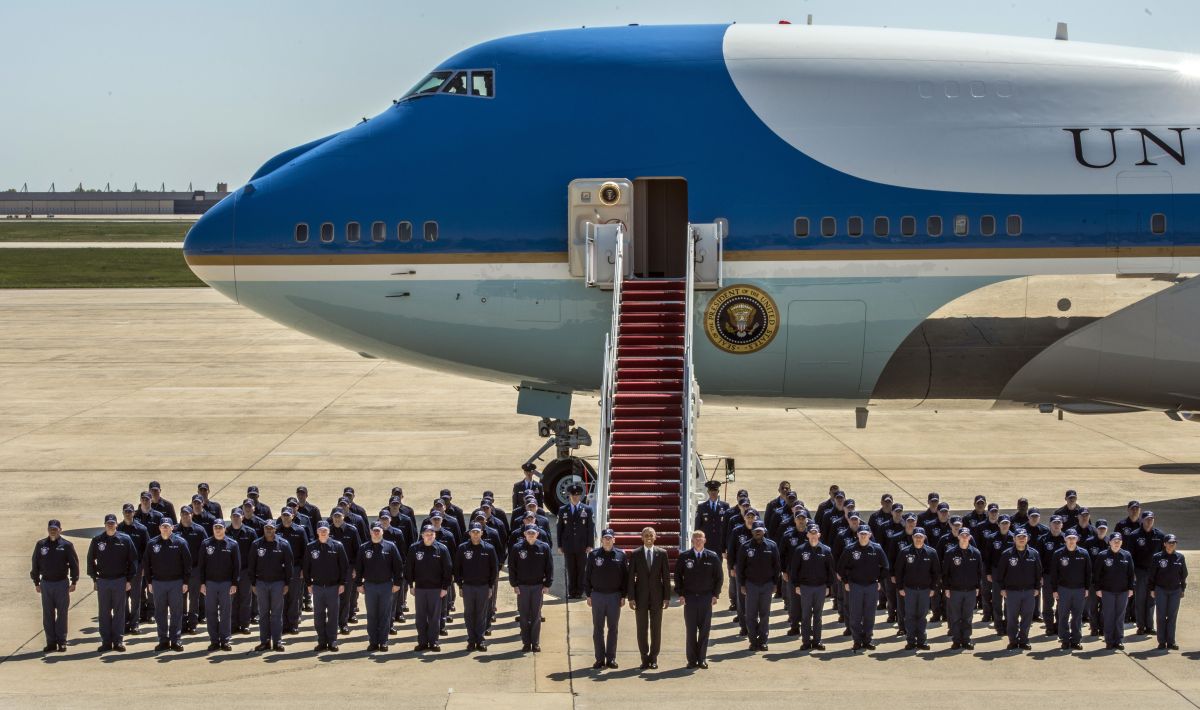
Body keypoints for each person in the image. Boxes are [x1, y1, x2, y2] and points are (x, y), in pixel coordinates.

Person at [87, 513, 137, 653]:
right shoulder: (97, 540)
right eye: (108, 523)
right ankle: (106, 641)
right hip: (103, 580)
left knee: (119, 612)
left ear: (116, 524)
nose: (110, 525)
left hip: (120, 580)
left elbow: (133, 560)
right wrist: (94, 578)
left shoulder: (125, 539)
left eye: (112, 523)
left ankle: (118, 640)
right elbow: (90, 560)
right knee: (104, 612)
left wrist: (129, 580)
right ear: (105, 524)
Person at [675, 530, 723, 669]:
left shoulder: (712, 557)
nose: (698, 541)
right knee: (691, 631)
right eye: (695, 538)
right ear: (691, 540)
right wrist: (681, 594)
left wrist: (715, 594)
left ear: (705, 540)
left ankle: (701, 659)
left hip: (706, 598)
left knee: (704, 631)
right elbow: (678, 577)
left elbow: (719, 578)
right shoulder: (684, 557)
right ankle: (691, 660)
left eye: (700, 538)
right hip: (689, 598)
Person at [31, 519, 79, 655]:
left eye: (55, 528)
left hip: (61, 584)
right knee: (48, 614)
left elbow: (74, 565)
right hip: (46, 584)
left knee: (62, 614)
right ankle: (50, 642)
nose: (53, 530)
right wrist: (36, 582)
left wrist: (74, 581)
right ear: (48, 529)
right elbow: (35, 564)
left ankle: (62, 641)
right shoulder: (41, 545)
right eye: (51, 528)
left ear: (60, 530)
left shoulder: (67, 545)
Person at [142, 518, 191, 652]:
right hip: (158, 583)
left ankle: (176, 640)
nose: (165, 528)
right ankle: (163, 640)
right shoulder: (152, 544)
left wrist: (185, 582)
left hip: (176, 583)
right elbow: (146, 564)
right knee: (160, 613)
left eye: (167, 526)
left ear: (172, 528)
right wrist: (149, 582)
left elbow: (187, 564)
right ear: (159, 528)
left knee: (176, 613)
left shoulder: (180, 543)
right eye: (163, 526)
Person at [837, 526, 889, 652]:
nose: (863, 536)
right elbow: (840, 568)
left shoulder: (877, 548)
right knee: (855, 614)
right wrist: (846, 582)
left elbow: (886, 566)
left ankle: (867, 640)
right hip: (855, 586)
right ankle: (857, 641)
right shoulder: (850, 549)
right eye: (861, 534)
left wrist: (879, 580)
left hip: (871, 586)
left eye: (866, 534)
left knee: (869, 614)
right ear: (857, 535)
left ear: (870, 535)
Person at [627, 526, 671, 669]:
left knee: (656, 628)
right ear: (642, 538)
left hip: (657, 597)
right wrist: (631, 597)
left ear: (655, 537)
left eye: (651, 535)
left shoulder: (662, 553)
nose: (649, 538)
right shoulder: (635, 554)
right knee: (641, 628)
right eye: (646, 535)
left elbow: (665, 577)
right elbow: (630, 578)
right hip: (640, 597)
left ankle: (654, 657)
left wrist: (667, 597)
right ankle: (644, 657)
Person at [248, 519, 294, 652]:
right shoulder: (256, 544)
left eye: (271, 528)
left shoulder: (283, 544)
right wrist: (253, 583)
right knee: (263, 614)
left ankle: (277, 641)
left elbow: (289, 566)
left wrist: (287, 583)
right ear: (264, 529)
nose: (268, 530)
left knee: (276, 614)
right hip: (261, 583)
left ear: (275, 529)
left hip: (278, 584)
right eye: (266, 528)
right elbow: (251, 566)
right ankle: (264, 642)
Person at [787, 523, 835, 651]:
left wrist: (828, 586)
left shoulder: (826, 550)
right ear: (807, 534)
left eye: (815, 533)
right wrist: (796, 585)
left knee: (818, 616)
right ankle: (806, 641)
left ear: (819, 534)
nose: (813, 536)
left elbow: (830, 570)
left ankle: (817, 641)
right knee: (806, 616)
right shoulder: (800, 550)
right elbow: (794, 570)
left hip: (820, 588)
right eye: (811, 533)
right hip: (805, 587)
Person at [357, 523, 403, 652]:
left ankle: (383, 641)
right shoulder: (363, 548)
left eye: (378, 530)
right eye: (374, 530)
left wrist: (397, 583)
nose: (376, 533)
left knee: (384, 614)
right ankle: (373, 642)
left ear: (382, 531)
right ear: (370, 532)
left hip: (386, 586)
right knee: (371, 615)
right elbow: (359, 568)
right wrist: (358, 584)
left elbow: (398, 567)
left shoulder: (391, 546)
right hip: (370, 586)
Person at [585, 528, 628, 669]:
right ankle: (599, 659)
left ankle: (611, 658)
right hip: (597, 595)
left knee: (613, 628)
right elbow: (587, 576)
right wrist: (588, 594)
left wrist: (623, 596)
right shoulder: (593, 555)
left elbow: (625, 578)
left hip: (614, 597)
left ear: (614, 539)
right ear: (601, 540)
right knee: (598, 628)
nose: (608, 540)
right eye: (605, 538)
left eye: (610, 538)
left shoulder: (621, 555)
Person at [736, 521, 781, 652]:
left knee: (765, 614)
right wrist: (742, 585)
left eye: (760, 530)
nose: (758, 532)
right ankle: (753, 641)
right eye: (755, 530)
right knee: (750, 615)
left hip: (767, 585)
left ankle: (763, 641)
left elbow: (777, 566)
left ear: (764, 531)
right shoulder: (745, 547)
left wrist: (774, 584)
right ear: (752, 531)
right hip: (751, 585)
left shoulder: (772, 546)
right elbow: (740, 568)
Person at [454, 523, 499, 652]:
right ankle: (471, 640)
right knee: (469, 613)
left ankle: (480, 639)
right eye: (473, 532)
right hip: (468, 586)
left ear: (482, 533)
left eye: (477, 532)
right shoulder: (462, 548)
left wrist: (490, 586)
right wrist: (460, 586)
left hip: (483, 587)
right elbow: (457, 568)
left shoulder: (489, 549)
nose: (475, 534)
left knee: (481, 613)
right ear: (469, 533)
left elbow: (494, 569)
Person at [996, 528, 1043, 651]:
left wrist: (1037, 588)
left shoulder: (1034, 554)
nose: (1021, 539)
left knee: (1027, 618)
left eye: (1024, 536)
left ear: (1027, 538)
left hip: (1029, 592)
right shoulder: (1007, 554)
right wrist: (1002, 589)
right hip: (1012, 592)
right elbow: (1000, 574)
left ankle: (1024, 640)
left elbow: (1039, 574)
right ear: (1014, 539)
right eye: (1019, 537)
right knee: (1012, 618)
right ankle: (1013, 640)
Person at [407, 524, 452, 652]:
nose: (429, 536)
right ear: (422, 535)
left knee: (434, 617)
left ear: (435, 535)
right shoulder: (414, 548)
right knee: (420, 617)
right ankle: (422, 642)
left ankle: (433, 642)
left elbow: (447, 570)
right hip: (420, 589)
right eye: (427, 534)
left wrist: (444, 587)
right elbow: (409, 568)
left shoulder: (442, 549)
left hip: (436, 589)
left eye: (431, 534)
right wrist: (411, 585)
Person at [894, 527, 939, 651]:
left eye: (921, 536)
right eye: (916, 536)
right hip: (909, 590)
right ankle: (910, 641)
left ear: (924, 537)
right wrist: (900, 587)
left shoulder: (931, 552)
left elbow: (936, 573)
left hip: (925, 590)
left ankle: (921, 641)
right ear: (912, 537)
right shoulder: (904, 552)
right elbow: (899, 572)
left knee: (922, 616)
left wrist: (933, 588)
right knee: (910, 616)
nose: (918, 538)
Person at [198, 519, 240, 652]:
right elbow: (201, 566)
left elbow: (237, 566)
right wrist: (202, 583)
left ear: (224, 529)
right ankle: (214, 641)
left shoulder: (232, 544)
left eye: (220, 527)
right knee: (210, 613)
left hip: (226, 584)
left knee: (226, 613)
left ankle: (225, 640)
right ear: (213, 529)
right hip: (210, 584)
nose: (217, 529)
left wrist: (234, 583)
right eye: (215, 527)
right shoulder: (206, 544)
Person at [942, 527, 984, 649]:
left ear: (970, 537)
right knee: (955, 617)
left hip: (970, 590)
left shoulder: (976, 553)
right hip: (955, 590)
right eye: (962, 535)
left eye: (967, 535)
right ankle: (956, 640)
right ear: (958, 537)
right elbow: (946, 573)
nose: (964, 537)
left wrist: (977, 587)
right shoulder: (950, 553)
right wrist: (946, 588)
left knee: (967, 616)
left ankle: (966, 639)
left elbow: (979, 572)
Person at [1050, 528, 1091, 651]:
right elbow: (1054, 574)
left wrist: (1087, 588)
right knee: (1063, 615)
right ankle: (1065, 639)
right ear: (1065, 539)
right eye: (1069, 538)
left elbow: (1088, 572)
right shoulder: (1058, 554)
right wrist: (1054, 590)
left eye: (1073, 538)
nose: (1071, 541)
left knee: (1077, 616)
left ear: (1077, 539)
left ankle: (1076, 640)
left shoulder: (1084, 553)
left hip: (1079, 590)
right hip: (1063, 589)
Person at [1094, 532, 1136, 650]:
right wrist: (1098, 589)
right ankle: (1109, 640)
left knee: (1120, 616)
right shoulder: (1103, 555)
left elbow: (1131, 574)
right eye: (1114, 541)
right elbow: (1097, 574)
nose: (1116, 543)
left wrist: (1131, 588)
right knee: (1108, 615)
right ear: (1109, 542)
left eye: (1118, 541)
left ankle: (1119, 640)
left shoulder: (1126, 555)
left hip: (1123, 591)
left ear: (1121, 542)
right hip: (1107, 591)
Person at [1129, 510, 1165, 635]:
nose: (1149, 521)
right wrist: (1132, 572)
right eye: (1147, 519)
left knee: (1151, 599)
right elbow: (1130, 556)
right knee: (1140, 599)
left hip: (1154, 573)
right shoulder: (1134, 535)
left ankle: (1150, 626)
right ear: (1142, 520)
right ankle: (1140, 626)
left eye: (1151, 519)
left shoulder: (1160, 535)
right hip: (1139, 571)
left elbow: (1163, 555)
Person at [1149, 533, 1187, 651]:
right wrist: (1152, 589)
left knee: (1172, 616)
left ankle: (1171, 641)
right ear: (1164, 544)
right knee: (1161, 616)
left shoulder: (1180, 557)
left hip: (1175, 590)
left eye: (1174, 543)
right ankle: (1161, 642)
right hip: (1161, 590)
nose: (1172, 545)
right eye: (1170, 542)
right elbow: (1152, 575)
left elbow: (1183, 575)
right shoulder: (1157, 557)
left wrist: (1182, 589)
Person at [556, 483, 595, 599]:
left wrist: (590, 544)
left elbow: (590, 528)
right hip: (568, 545)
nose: (575, 497)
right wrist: (560, 545)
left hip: (582, 545)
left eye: (577, 495)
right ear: (569, 496)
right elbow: (559, 529)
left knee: (581, 569)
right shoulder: (563, 510)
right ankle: (572, 591)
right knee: (571, 569)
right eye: (573, 495)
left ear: (580, 496)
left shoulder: (587, 509)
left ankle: (580, 591)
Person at [116, 503, 149, 636]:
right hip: (122, 569)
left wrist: (144, 568)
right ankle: (124, 623)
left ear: (134, 513)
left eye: (130, 512)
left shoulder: (141, 529)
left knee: (136, 598)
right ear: (123, 513)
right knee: (123, 598)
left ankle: (134, 624)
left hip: (137, 568)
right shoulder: (118, 528)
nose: (128, 514)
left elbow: (147, 550)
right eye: (126, 512)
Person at [173, 505, 207, 634]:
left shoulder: (199, 530)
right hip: (178, 571)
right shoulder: (175, 530)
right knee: (180, 598)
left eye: (188, 514)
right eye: (183, 514)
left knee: (194, 599)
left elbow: (205, 550)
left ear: (192, 514)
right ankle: (181, 624)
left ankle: (193, 624)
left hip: (195, 570)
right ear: (180, 515)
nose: (185, 516)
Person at [224, 508, 256, 635]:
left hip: (245, 571)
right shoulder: (225, 532)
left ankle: (245, 624)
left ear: (242, 517)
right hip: (229, 572)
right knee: (232, 599)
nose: (236, 518)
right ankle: (233, 624)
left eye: (238, 516)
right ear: (231, 517)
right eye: (234, 516)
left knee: (245, 598)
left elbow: (254, 553)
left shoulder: (250, 532)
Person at [694, 481, 729, 559]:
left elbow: (727, 526)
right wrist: (697, 541)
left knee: (718, 565)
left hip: (719, 543)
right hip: (706, 542)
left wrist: (726, 543)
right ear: (708, 492)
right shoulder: (701, 507)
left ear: (718, 492)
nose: (713, 493)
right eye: (711, 491)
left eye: (715, 490)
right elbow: (697, 526)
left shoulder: (725, 506)